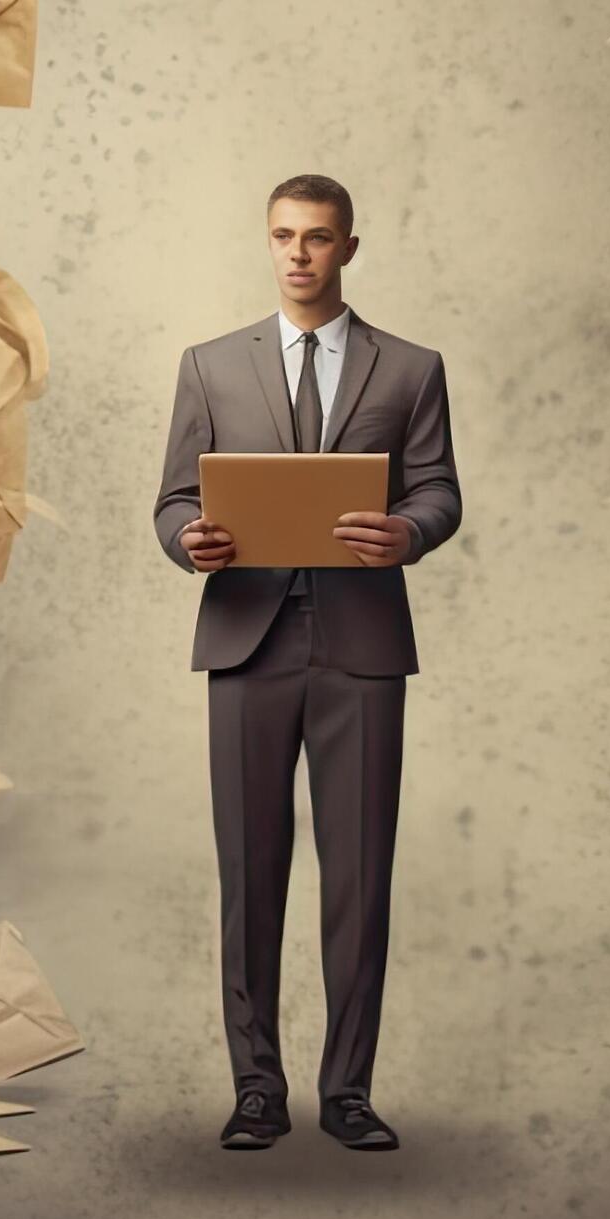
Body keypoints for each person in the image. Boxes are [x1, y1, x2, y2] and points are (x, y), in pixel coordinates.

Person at [151, 173, 461, 1152]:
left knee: (358, 877)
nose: (297, 254)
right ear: (267, 241)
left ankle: (347, 1094)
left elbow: (441, 491)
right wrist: (186, 540)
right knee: (250, 874)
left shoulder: (409, 368)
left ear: (348, 249)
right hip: (245, 641)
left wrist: (404, 535)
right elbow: (169, 501)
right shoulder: (209, 366)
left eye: (317, 238)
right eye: (283, 235)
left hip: (360, 648)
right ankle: (254, 1090)